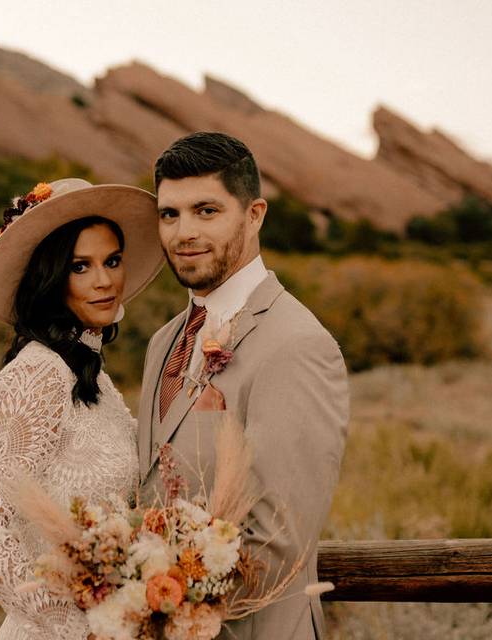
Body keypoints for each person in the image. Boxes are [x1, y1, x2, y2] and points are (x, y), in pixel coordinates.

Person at [137, 132, 350, 640]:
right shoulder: (163, 341)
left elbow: (280, 543)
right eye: (170, 214)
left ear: (254, 215)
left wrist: (144, 600)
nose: (183, 232)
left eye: (206, 211)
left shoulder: (295, 344)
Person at [0, 178, 163, 640]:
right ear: (51, 278)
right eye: (80, 266)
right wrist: (79, 631)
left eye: (112, 261)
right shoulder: (32, 377)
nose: (105, 280)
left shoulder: (93, 378)